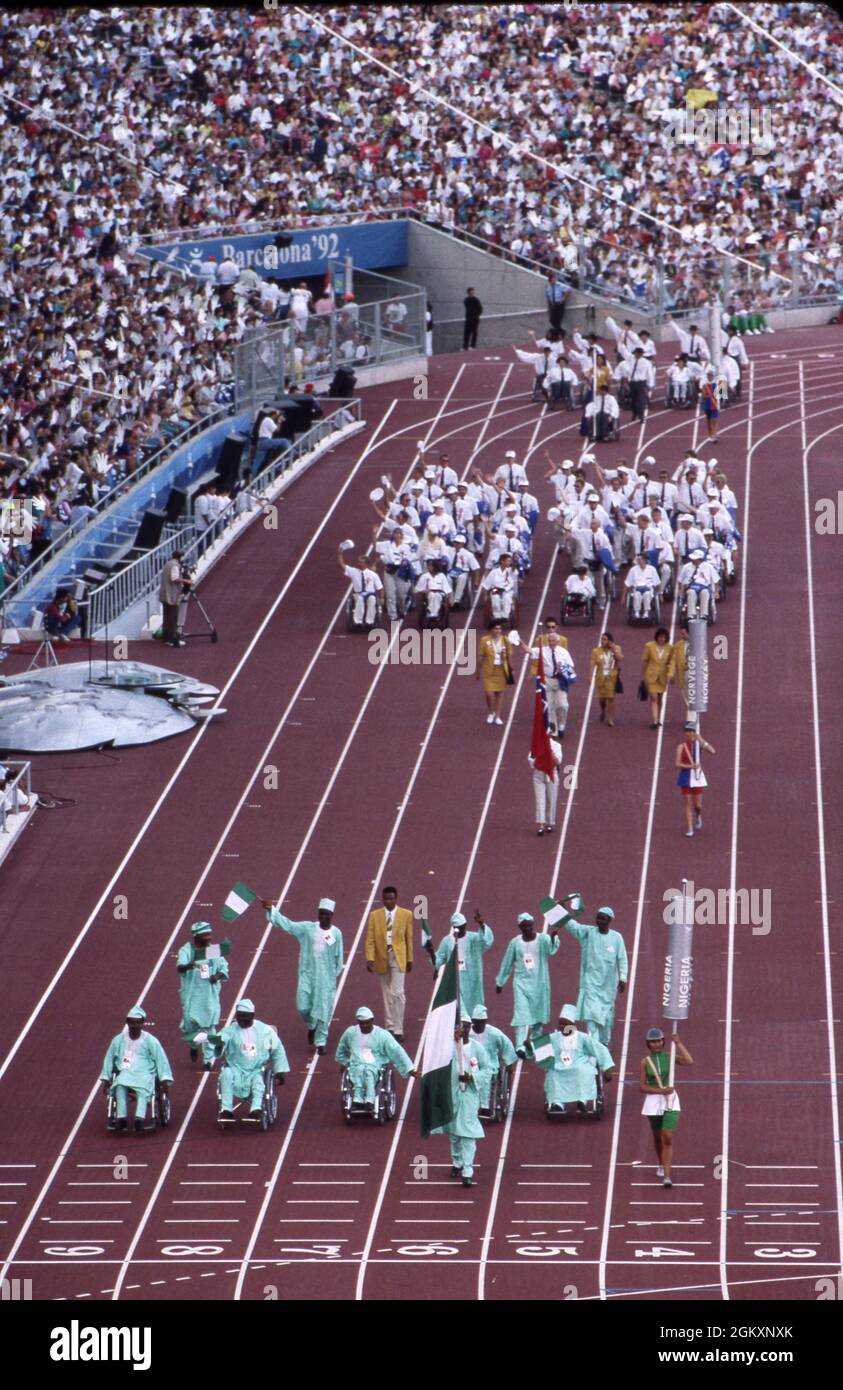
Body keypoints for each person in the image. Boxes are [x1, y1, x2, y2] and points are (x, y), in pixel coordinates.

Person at [265, 897, 344, 1052]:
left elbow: (339, 957)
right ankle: (311, 1025)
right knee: (302, 1006)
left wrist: (333, 975)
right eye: (321, 913)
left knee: (323, 1009)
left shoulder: (336, 933)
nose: (323, 917)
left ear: (332, 915)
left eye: (327, 914)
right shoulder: (308, 928)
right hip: (307, 974)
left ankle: (320, 1042)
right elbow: (288, 925)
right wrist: (271, 910)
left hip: (325, 978)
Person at [430, 1018, 487, 1187]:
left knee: (468, 1133)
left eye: (466, 1026)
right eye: (460, 1026)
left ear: (470, 1028)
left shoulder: (478, 1048)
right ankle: (457, 1162)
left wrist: (472, 1077)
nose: (463, 1029)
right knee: (454, 1133)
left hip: (469, 1093)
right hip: (452, 1092)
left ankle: (468, 1171)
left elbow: (488, 1069)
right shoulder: (448, 1046)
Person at [495, 912, 561, 1055]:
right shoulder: (515, 943)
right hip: (521, 984)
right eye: (523, 926)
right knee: (521, 1014)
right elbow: (507, 962)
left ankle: (533, 1043)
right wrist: (500, 981)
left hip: (540, 984)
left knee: (538, 1017)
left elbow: (551, 949)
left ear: (533, 925)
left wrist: (553, 937)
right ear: (520, 927)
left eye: (529, 925)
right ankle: (519, 1046)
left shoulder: (542, 939)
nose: (527, 929)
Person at [100, 1006, 173, 1134]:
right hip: (125, 1073)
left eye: (138, 1022)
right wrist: (106, 1078)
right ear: (127, 1022)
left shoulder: (151, 1040)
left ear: (142, 1023)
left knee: (143, 1089)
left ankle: (139, 1120)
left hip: (144, 1074)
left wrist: (164, 1079)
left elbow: (161, 1059)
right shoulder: (118, 1040)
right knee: (119, 1086)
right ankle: (121, 1119)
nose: (135, 1025)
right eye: (132, 1022)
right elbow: (108, 1059)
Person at [215, 998, 289, 1121]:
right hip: (235, 1068)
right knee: (226, 1075)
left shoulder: (265, 1030)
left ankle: (255, 1109)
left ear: (252, 1016)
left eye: (245, 1016)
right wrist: (217, 1043)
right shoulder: (230, 1030)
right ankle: (226, 1110)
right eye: (239, 1016)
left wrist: (280, 1072)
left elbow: (278, 1050)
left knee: (258, 1082)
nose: (241, 1020)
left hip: (256, 1069)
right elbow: (221, 1039)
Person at [563, 906, 628, 1047]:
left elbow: (622, 958)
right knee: (591, 1017)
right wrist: (561, 911)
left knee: (606, 1019)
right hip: (590, 984)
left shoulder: (616, 938)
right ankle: (595, 1046)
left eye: (603, 918)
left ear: (609, 920)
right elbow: (573, 926)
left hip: (608, 987)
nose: (599, 920)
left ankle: (604, 1043)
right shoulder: (588, 933)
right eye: (598, 917)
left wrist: (623, 977)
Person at [639, 1027, 693, 1188]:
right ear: (648, 1044)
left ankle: (667, 1176)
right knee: (657, 1136)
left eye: (659, 1041)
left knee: (667, 1136)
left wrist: (679, 1042)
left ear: (663, 1042)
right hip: (653, 1102)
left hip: (670, 1100)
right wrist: (660, 1090)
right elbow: (642, 1087)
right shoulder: (645, 1062)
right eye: (653, 1042)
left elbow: (689, 1061)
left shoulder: (669, 1057)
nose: (656, 1044)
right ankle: (661, 1164)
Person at [536, 1004, 614, 1113]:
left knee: (582, 1072)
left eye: (565, 1023)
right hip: (559, 1065)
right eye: (561, 1023)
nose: (562, 1026)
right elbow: (539, 1048)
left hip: (579, 1064)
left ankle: (582, 1101)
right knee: (553, 1073)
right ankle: (558, 1103)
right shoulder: (554, 1037)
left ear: (572, 1024)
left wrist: (607, 1068)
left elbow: (600, 1049)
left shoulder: (582, 1037)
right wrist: (529, 1046)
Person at [335, 1006, 415, 1103]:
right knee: (358, 1071)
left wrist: (409, 1069)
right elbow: (341, 1048)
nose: (364, 1025)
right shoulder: (350, 1033)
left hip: (375, 1063)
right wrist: (345, 1062)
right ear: (358, 1022)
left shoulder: (382, 1035)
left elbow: (396, 1050)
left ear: (372, 1020)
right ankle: (357, 1098)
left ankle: (370, 1099)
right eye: (361, 1023)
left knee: (369, 1072)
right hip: (356, 1063)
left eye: (367, 1022)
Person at [176, 922, 229, 1068]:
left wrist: (216, 977)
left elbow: (224, 968)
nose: (209, 937)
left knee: (209, 1028)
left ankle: (208, 1060)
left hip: (209, 997)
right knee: (190, 1028)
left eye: (210, 934)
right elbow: (180, 967)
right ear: (196, 936)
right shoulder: (187, 950)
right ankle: (193, 1047)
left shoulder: (213, 950)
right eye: (205, 935)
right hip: (191, 996)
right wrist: (189, 965)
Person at [365, 885, 414, 1041]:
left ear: (396, 898)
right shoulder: (374, 915)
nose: (389, 901)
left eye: (391, 898)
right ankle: (390, 1027)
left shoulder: (406, 914)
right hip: (381, 956)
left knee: (397, 993)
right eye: (386, 899)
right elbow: (370, 939)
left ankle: (399, 1028)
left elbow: (409, 939)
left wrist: (410, 959)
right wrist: (370, 958)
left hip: (398, 956)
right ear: (382, 899)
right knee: (386, 994)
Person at [430, 910, 494, 1018]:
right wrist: (431, 952)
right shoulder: (447, 941)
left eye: (462, 927)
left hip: (474, 980)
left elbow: (487, 941)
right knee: (459, 1010)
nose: (460, 930)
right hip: (455, 980)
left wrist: (482, 924)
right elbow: (438, 960)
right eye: (458, 928)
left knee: (475, 1010)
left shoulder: (474, 938)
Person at [470, 1006, 517, 1110]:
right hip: (472, 1064)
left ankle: (484, 1105)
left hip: (489, 1065)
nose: (480, 1024)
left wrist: (509, 1063)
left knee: (484, 1076)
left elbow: (507, 1044)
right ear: (473, 1021)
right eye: (478, 1022)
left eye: (483, 1022)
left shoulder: (493, 1033)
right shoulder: (468, 1034)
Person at [531, 630, 576, 737]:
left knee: (562, 705)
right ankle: (553, 730)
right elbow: (529, 651)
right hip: (547, 680)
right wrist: (518, 641)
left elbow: (571, 666)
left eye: (553, 641)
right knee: (549, 706)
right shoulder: (543, 650)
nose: (551, 643)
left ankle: (561, 725)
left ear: (557, 641)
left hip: (560, 681)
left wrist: (563, 668)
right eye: (549, 640)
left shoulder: (564, 652)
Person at [675, 721, 716, 837]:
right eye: (687, 731)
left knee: (698, 805)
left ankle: (698, 816)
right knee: (687, 803)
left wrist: (701, 739)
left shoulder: (699, 745)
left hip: (697, 778)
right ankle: (690, 828)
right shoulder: (681, 747)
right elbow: (677, 764)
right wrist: (690, 766)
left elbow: (713, 751)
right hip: (686, 777)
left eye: (691, 731)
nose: (689, 734)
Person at [476, 621, 515, 725]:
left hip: (501, 670)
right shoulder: (484, 640)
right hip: (489, 670)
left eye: (499, 629)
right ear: (491, 630)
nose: (498, 631)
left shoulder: (506, 640)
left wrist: (511, 669)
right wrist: (477, 671)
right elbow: (481, 655)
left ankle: (497, 716)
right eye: (496, 628)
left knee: (499, 693)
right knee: (489, 693)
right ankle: (491, 712)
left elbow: (509, 656)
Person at [337, 545, 383, 627]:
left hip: (370, 594)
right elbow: (342, 565)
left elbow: (380, 588)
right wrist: (340, 554)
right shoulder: (354, 571)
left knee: (372, 600)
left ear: (366, 564)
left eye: (361, 562)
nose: (358, 563)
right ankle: (357, 621)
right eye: (358, 562)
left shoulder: (373, 575)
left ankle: (370, 622)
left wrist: (382, 598)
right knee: (360, 598)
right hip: (358, 594)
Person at [528, 728, 563, 836]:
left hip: (551, 774)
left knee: (551, 798)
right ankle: (541, 824)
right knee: (540, 799)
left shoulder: (557, 745)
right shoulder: (537, 745)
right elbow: (531, 760)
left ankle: (550, 822)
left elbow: (558, 761)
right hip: (539, 774)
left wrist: (550, 755)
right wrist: (540, 758)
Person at [641, 626, 674, 728]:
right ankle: (655, 720)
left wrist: (670, 674)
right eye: (660, 637)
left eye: (664, 637)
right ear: (657, 637)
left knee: (660, 698)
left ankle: (659, 718)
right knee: (654, 697)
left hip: (662, 677)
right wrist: (644, 674)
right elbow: (645, 660)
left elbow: (671, 662)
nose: (662, 639)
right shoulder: (649, 646)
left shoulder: (670, 648)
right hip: (651, 675)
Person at [158, 549, 191, 647]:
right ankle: (173, 639)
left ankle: (167, 638)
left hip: (164, 594)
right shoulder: (175, 565)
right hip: (171, 595)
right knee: (173, 617)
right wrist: (187, 581)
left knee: (167, 617)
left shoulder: (168, 563)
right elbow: (174, 578)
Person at [591, 632, 623, 727]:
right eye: (602, 639)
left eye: (605, 639)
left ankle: (610, 718)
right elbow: (592, 664)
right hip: (601, 677)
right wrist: (590, 675)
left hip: (611, 677)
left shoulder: (616, 648)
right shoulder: (596, 651)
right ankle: (602, 710)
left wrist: (613, 649)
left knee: (611, 698)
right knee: (602, 699)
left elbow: (620, 658)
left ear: (609, 641)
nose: (602, 641)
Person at [624, 553, 661, 620]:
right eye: (638, 560)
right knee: (637, 595)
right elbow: (627, 583)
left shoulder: (652, 569)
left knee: (646, 594)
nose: (639, 561)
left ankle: (646, 613)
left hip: (648, 589)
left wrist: (660, 594)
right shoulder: (633, 570)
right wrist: (623, 596)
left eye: (640, 560)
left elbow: (657, 583)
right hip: (637, 588)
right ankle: (637, 612)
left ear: (645, 560)